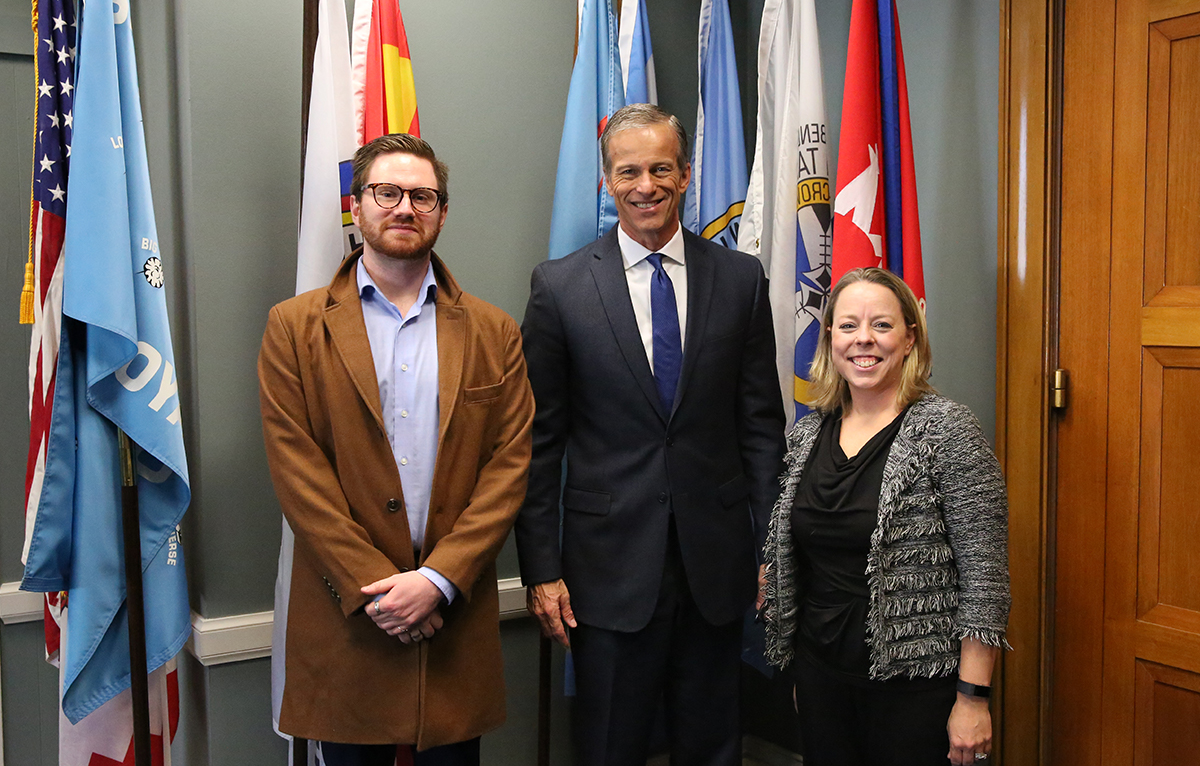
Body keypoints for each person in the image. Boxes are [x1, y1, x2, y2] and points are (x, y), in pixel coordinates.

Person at [516, 103, 787, 766]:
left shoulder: (740, 279)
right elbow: (536, 442)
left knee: (714, 745)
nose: (646, 185)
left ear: (686, 175)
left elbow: (760, 428)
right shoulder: (560, 288)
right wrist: (541, 569)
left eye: (661, 168)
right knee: (611, 745)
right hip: (606, 571)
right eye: (629, 171)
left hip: (716, 566)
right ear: (607, 182)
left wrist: (770, 546)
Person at [258, 133, 534, 765]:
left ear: (441, 212)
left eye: (423, 195)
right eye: (388, 192)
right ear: (357, 207)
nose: (405, 207)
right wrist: (381, 591)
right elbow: (298, 474)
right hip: (350, 621)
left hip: (453, 622)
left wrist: (438, 581)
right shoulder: (294, 328)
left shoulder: (495, 333)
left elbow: (509, 469)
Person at [759, 267, 1011, 766]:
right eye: (848, 325)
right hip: (820, 677)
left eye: (882, 325)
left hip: (915, 689)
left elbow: (985, 580)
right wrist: (800, 675)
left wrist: (972, 699)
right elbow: (791, 561)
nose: (863, 340)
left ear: (910, 336)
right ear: (829, 335)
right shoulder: (807, 437)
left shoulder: (948, 432)